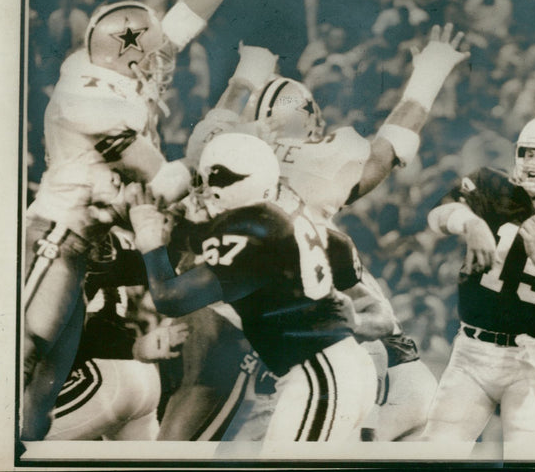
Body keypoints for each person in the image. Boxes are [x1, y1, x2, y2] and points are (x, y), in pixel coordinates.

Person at [21, 0, 279, 441]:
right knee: (22, 355)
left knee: (43, 389)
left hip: (84, 244)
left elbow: (181, 22)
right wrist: (218, 166)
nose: (162, 62)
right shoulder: (87, 98)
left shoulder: (108, 64)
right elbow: (157, 179)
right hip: (56, 240)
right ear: (129, 61)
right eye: (150, 58)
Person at [182, 23, 468, 441]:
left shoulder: (217, 153)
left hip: (356, 358)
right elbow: (389, 148)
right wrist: (431, 71)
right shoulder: (323, 165)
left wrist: (250, 68)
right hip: (387, 358)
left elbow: (220, 119)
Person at [126, 133, 379, 444]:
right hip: (333, 367)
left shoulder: (248, 229)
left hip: (319, 374)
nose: (203, 192)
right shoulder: (271, 214)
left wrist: (149, 236)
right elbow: (203, 241)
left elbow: (170, 299)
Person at [422, 114, 535, 445]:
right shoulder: (491, 185)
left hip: (529, 360)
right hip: (471, 352)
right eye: (528, 152)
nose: (533, 162)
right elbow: (437, 215)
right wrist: (470, 223)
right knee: (437, 451)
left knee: (526, 458)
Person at [45, 286, 188, 441]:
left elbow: (96, 327)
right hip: (137, 376)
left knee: (24, 437)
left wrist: (135, 347)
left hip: (105, 377)